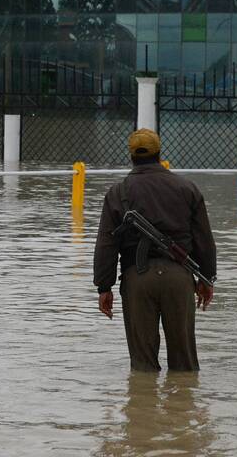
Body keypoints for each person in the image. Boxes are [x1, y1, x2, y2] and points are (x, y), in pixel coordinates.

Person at [93, 128, 217, 371]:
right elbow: (204, 239)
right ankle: (183, 406)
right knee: (185, 366)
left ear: (130, 156)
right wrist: (207, 278)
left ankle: (142, 406)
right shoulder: (187, 189)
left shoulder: (118, 193)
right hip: (179, 278)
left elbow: (107, 244)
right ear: (160, 153)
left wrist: (104, 287)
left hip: (137, 280)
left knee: (142, 368)